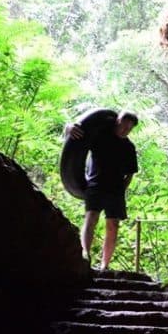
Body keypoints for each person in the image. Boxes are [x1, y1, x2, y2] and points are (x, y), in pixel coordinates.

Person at [65, 111, 139, 271]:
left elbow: (130, 173)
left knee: (113, 225)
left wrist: (122, 190)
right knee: (91, 219)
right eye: (123, 125)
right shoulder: (99, 136)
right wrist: (69, 128)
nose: (125, 130)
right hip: (95, 184)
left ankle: (104, 266)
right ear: (117, 121)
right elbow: (75, 138)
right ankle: (85, 256)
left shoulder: (129, 147)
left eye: (129, 128)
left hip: (116, 189)